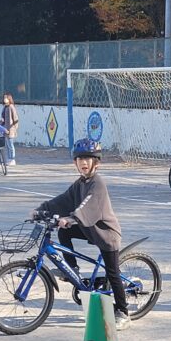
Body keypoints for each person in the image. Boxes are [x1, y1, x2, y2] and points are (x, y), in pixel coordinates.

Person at [31, 139, 130, 330]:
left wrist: (72, 218)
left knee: (113, 273)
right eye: (79, 159)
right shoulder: (80, 183)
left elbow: (88, 207)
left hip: (106, 234)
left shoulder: (97, 183)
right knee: (63, 232)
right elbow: (64, 200)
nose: (83, 162)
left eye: (87, 158)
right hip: (89, 229)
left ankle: (123, 312)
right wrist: (41, 209)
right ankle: (72, 270)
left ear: (96, 162)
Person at [1, 93, 19, 166]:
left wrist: (14, 128)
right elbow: (3, 119)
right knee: (8, 145)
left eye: (6, 98)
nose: (4, 99)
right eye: (4, 98)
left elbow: (15, 118)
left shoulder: (11, 107)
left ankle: (12, 159)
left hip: (10, 130)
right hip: (5, 130)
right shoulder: (5, 107)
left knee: (11, 145)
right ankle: (9, 159)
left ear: (9, 99)